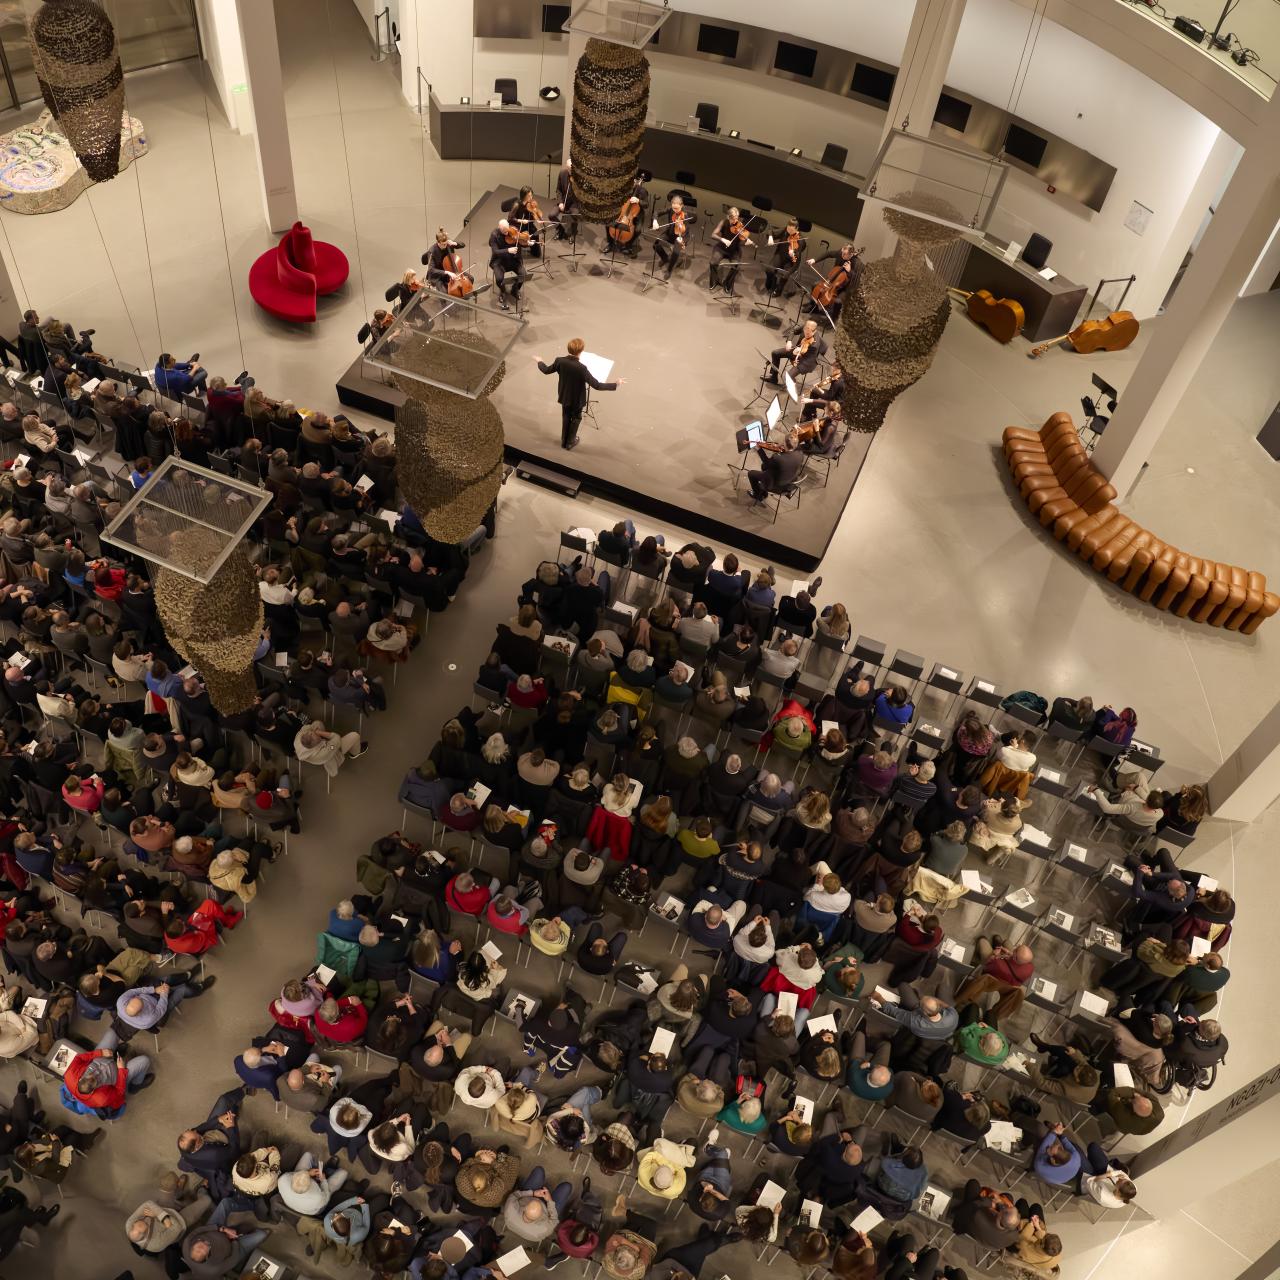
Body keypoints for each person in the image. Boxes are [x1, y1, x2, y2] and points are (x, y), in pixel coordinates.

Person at [536, 338, 624, 451]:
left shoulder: (560, 361)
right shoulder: (582, 368)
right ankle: (570, 442)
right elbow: (597, 385)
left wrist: (539, 361)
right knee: (576, 418)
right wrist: (616, 384)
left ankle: (564, 441)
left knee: (566, 416)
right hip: (577, 400)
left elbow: (546, 370)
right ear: (580, 351)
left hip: (564, 396)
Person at [747, 430, 806, 503]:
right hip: (791, 482)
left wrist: (759, 449)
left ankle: (758, 495)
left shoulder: (777, 458)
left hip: (778, 486)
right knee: (764, 467)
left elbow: (766, 462)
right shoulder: (800, 454)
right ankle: (762, 489)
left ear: (785, 443)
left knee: (751, 473)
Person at [708, 206, 754, 294]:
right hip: (721, 248)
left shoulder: (740, 226)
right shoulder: (723, 222)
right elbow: (713, 234)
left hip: (734, 250)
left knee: (736, 267)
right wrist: (723, 239)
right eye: (733, 219)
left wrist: (746, 243)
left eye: (737, 218)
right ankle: (715, 280)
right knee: (713, 263)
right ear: (728, 217)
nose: (736, 221)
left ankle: (727, 283)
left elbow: (740, 243)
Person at [652, 194, 696, 279]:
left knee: (676, 252)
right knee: (656, 245)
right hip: (670, 233)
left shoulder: (685, 215)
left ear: (681, 205)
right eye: (673, 208)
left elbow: (686, 230)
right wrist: (655, 221)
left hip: (681, 236)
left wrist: (681, 237)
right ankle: (665, 259)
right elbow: (657, 212)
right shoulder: (670, 209)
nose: (675, 210)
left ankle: (669, 269)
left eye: (677, 208)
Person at [489, 218, 527, 309]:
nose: (506, 233)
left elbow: (521, 242)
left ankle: (515, 289)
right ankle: (502, 291)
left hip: (513, 260)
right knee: (499, 279)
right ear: (499, 228)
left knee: (523, 275)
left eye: (507, 230)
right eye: (504, 231)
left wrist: (527, 242)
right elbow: (495, 251)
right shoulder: (494, 235)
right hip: (500, 261)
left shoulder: (512, 230)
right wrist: (508, 250)